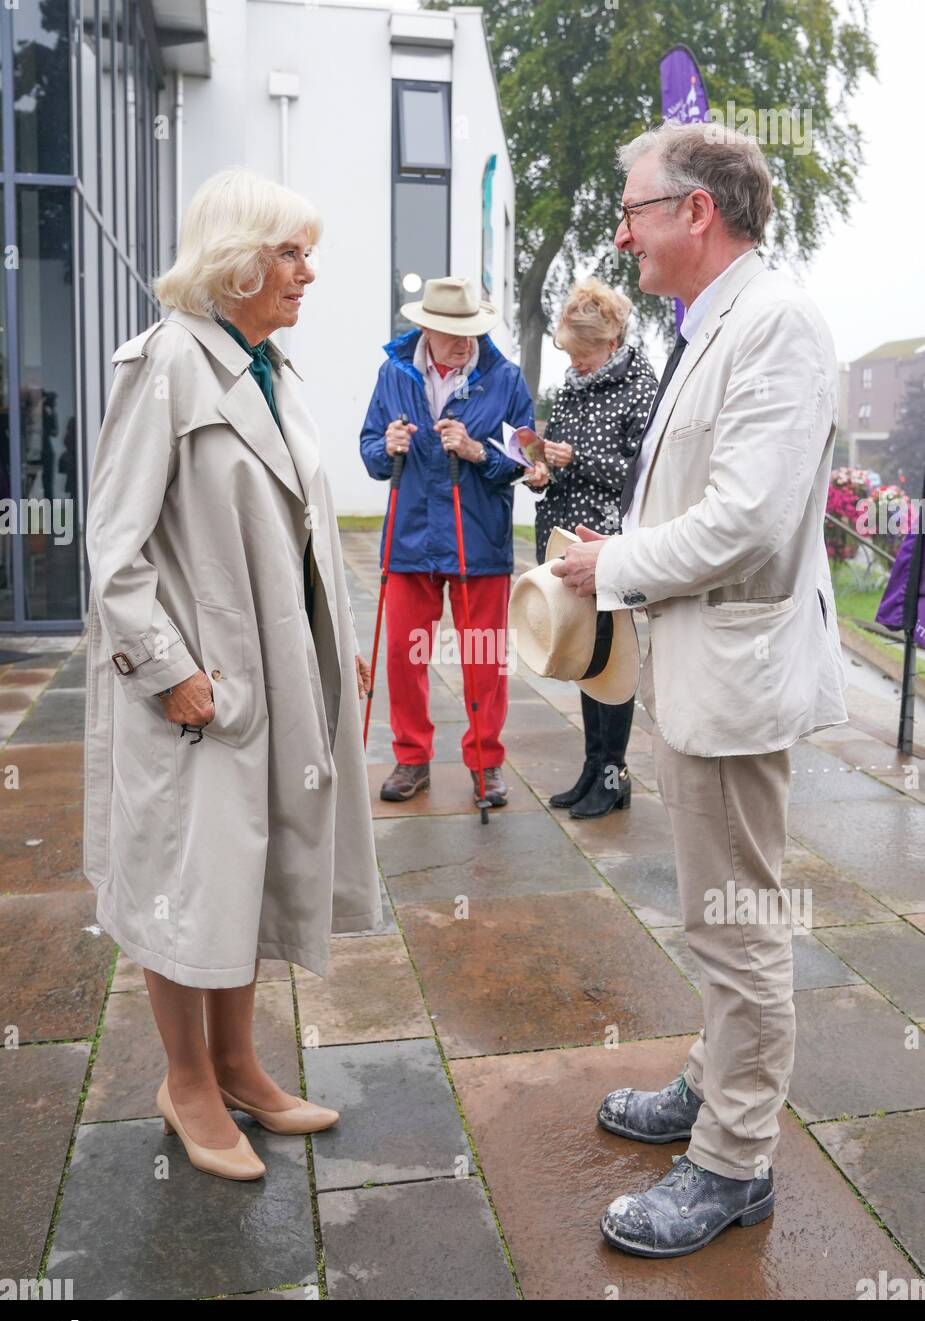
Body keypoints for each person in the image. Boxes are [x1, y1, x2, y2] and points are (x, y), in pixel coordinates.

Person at [552, 119, 848, 1257]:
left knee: (741, 921)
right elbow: (701, 489)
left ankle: (732, 1160)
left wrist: (610, 565)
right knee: (716, 913)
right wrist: (617, 541)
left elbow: (749, 519)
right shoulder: (719, 318)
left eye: (631, 209)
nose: (620, 233)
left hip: (735, 671)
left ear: (695, 213)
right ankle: (711, 1080)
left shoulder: (771, 324)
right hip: (705, 664)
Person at [83, 168, 381, 1183]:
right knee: (186, 880)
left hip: (273, 675)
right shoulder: (167, 362)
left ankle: (240, 1065)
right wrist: (165, 670)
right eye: (290, 253)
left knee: (248, 870)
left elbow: (298, 526)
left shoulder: (266, 368)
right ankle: (187, 1082)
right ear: (237, 260)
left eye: (306, 252)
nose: (307, 273)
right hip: (197, 694)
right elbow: (113, 545)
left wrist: (342, 636)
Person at [360, 276, 534, 807]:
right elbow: (369, 451)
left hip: (477, 543)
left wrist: (479, 452)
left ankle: (487, 764)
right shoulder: (394, 373)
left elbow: (525, 459)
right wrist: (385, 446)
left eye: (472, 331)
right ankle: (412, 759)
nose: (465, 342)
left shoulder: (504, 379)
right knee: (402, 656)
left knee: (483, 657)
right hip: (410, 537)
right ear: (426, 328)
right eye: (453, 332)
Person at [525, 278, 657, 817]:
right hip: (565, 540)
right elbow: (558, 461)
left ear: (609, 341)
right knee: (584, 660)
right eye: (570, 355)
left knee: (612, 664)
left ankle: (613, 775)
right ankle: (591, 769)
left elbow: (645, 476)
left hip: (610, 544)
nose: (574, 364)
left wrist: (576, 458)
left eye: (581, 354)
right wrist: (543, 473)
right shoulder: (575, 384)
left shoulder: (641, 385)